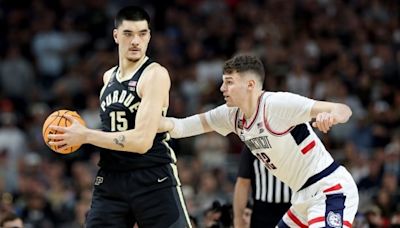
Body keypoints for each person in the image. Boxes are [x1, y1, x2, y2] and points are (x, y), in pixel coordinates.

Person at [159, 54, 359, 227]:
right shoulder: (231, 115)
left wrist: (329, 116)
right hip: (302, 197)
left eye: (229, 82)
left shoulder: (277, 105)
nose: (222, 88)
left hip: (329, 188)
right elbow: (181, 127)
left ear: (250, 85)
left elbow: (343, 109)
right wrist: (145, 124)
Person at [48, 6, 191, 227]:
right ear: (116, 36)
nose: (136, 40)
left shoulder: (155, 75)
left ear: (149, 36)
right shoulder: (108, 77)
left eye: (142, 34)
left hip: (152, 176)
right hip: (111, 178)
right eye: (128, 33)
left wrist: (85, 135)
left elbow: (141, 142)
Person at [234, 146, 291, 228]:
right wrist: (238, 221)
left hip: (294, 209)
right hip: (262, 212)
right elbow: (242, 182)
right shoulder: (252, 143)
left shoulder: (298, 139)